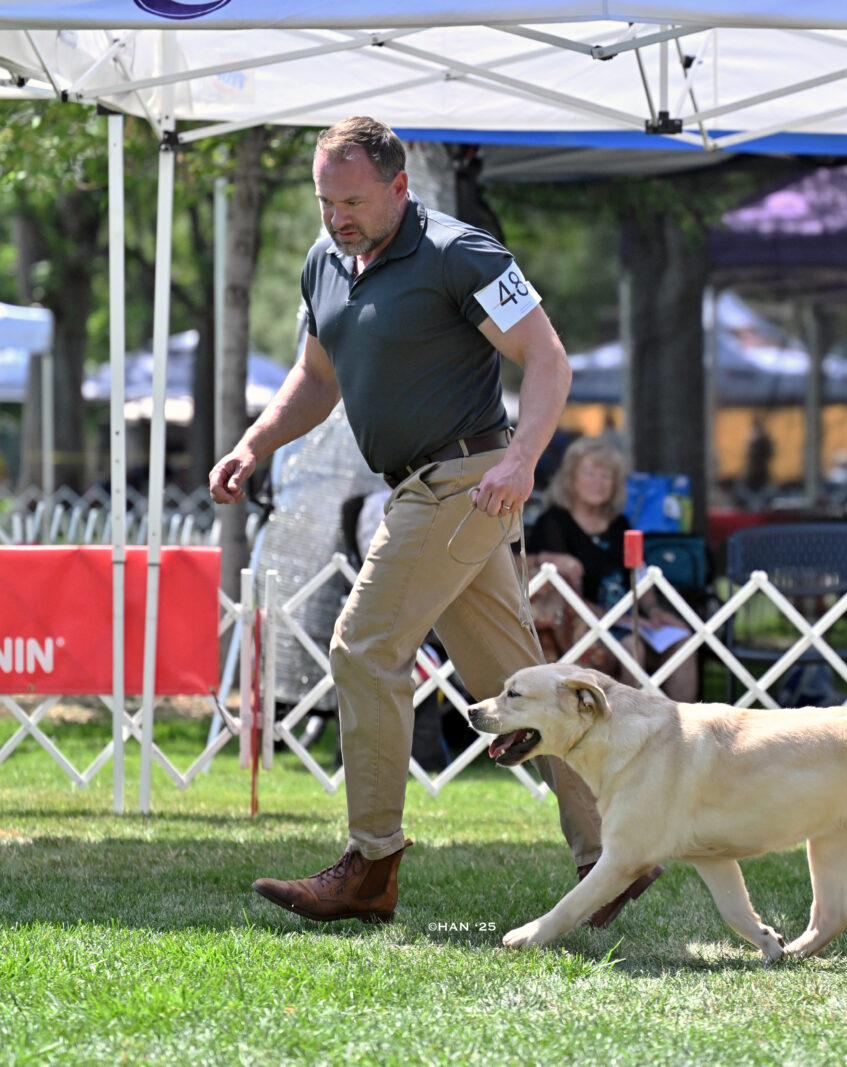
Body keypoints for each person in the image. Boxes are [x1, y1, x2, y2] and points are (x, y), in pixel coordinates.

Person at [208, 116, 659, 927]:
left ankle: (371, 862)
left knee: (363, 644)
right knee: (518, 684)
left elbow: (548, 358)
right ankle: (615, 851)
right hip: (420, 484)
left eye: (351, 200)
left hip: (465, 478)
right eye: (323, 201)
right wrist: (254, 442)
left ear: (399, 186)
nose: (336, 216)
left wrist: (521, 461)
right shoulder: (326, 263)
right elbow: (317, 380)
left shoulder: (461, 253)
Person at [527, 436, 698, 703]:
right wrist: (620, 620)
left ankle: (683, 733)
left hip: (631, 621)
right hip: (587, 626)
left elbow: (638, 574)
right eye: (590, 473)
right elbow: (557, 591)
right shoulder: (554, 522)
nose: (598, 482)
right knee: (632, 648)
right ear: (571, 478)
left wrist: (655, 612)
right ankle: (628, 733)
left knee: (684, 642)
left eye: (606, 476)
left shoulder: (621, 523)